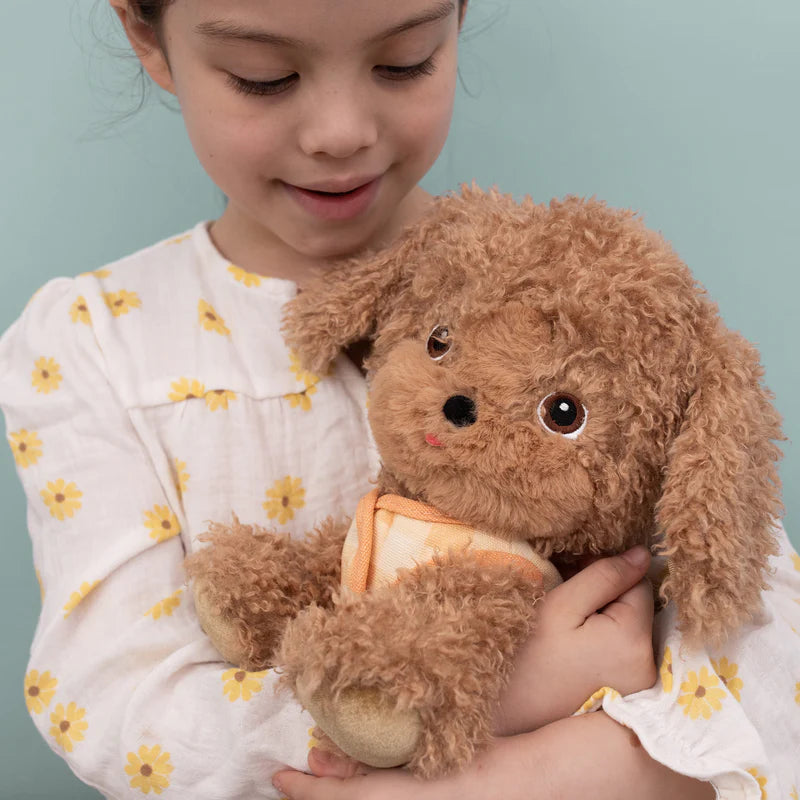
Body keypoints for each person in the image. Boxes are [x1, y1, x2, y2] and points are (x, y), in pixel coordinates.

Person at [1, 2, 797, 799]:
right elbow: (111, 704)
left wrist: (544, 774)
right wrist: (480, 703)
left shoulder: (572, 291)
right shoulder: (93, 342)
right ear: (150, 39)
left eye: (404, 61)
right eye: (264, 77)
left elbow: (771, 654)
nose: (341, 131)